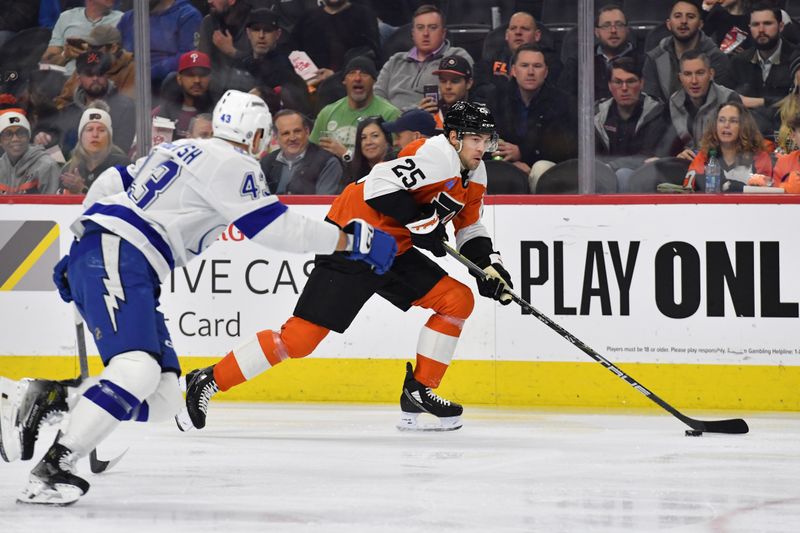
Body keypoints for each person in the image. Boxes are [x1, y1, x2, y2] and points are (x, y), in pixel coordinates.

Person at [0, 90, 396, 506]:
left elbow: (113, 180)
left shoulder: (181, 148)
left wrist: (83, 235)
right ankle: (54, 468)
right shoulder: (234, 162)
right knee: (136, 370)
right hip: (123, 254)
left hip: (120, 256)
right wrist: (352, 239)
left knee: (164, 395)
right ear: (257, 133)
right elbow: (277, 228)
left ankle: (48, 399)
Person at [180, 101, 513, 435]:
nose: (482, 147)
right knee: (299, 340)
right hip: (356, 240)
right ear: (454, 137)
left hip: (395, 249)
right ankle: (208, 379)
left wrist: (489, 266)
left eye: (486, 139)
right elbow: (377, 187)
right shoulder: (435, 155)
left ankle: (419, 391)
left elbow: (469, 228)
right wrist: (420, 221)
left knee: (456, 299)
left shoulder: (476, 173)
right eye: (474, 139)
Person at [489, 43, 578, 176]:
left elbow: (565, 149)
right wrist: (511, 165)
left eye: (537, 66)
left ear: (546, 72)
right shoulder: (497, 99)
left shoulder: (562, 102)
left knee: (540, 168)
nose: (530, 72)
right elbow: (485, 140)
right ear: (513, 71)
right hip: (506, 166)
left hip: (547, 169)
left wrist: (522, 153)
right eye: (524, 66)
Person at [375, 4, 473, 111]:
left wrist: (413, 112)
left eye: (432, 28)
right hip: (389, 121)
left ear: (443, 33)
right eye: (420, 28)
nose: (425, 33)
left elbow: (451, 94)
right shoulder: (395, 60)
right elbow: (377, 96)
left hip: (429, 120)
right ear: (413, 34)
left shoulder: (456, 57)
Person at [38, 51, 136, 156]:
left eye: (100, 73)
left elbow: (121, 150)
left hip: (108, 169)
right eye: (89, 74)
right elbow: (56, 148)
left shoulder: (125, 107)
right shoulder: (69, 111)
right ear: (79, 79)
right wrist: (43, 139)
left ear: (107, 76)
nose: (95, 78)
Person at [595, 57, 671, 188]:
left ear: (641, 83)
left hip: (647, 180)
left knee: (623, 174)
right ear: (609, 85)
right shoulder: (598, 115)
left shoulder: (657, 112)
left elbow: (648, 157)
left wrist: (611, 166)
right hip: (603, 177)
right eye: (618, 82)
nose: (624, 88)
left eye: (630, 81)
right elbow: (592, 156)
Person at [309, 56, 400, 162]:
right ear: (344, 81)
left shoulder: (389, 114)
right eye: (352, 73)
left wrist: (346, 154)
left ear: (374, 81)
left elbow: (392, 161)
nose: (357, 78)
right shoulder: (327, 113)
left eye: (364, 73)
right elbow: (311, 154)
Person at [643, 0, 734, 104]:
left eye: (690, 17)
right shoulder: (655, 57)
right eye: (678, 16)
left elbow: (721, 102)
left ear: (700, 24)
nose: (683, 21)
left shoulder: (717, 58)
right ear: (668, 24)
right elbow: (651, 103)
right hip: (665, 118)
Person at [664, 49, 742, 159]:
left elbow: (741, 143)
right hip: (686, 165)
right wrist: (678, 156)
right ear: (680, 78)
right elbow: (667, 146)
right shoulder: (673, 103)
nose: (694, 81)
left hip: (721, 164)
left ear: (711, 74)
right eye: (687, 74)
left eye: (700, 73)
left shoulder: (729, 99)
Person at [731, 4, 796, 135]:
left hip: (789, 134)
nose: (761, 30)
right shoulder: (739, 61)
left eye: (767, 23)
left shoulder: (795, 58)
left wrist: (759, 102)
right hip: (748, 136)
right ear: (749, 28)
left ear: (781, 26)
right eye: (755, 24)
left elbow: (796, 101)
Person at [558, 4, 645, 101]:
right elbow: (565, 100)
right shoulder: (579, 61)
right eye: (606, 25)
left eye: (619, 24)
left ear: (627, 29)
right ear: (596, 32)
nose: (613, 30)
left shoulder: (643, 61)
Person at [682, 101, 773, 191]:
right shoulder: (704, 157)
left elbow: (765, 194)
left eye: (733, 121)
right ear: (715, 125)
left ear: (744, 126)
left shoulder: (760, 157)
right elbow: (688, 190)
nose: (726, 125)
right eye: (721, 120)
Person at [117, 0, 203, 93]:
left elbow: (189, 57)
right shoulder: (128, 18)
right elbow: (115, 51)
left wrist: (149, 72)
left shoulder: (187, 15)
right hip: (128, 82)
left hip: (164, 85)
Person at [260, 109, 345, 194]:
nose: (292, 138)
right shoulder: (266, 162)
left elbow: (323, 203)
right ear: (275, 137)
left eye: (297, 131)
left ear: (307, 132)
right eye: (286, 133)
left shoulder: (328, 163)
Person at [54, 24, 136, 110]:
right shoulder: (87, 65)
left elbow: (128, 107)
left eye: (94, 47)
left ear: (113, 48)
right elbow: (63, 101)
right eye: (89, 46)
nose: (90, 51)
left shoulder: (133, 69)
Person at [291, 0, 381, 73]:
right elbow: (292, 49)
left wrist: (336, 74)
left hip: (350, 82)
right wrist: (308, 74)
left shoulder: (364, 15)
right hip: (312, 84)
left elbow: (371, 53)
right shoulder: (308, 17)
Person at [39, 0, 123, 77]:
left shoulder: (122, 19)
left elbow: (129, 60)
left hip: (105, 82)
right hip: (68, 82)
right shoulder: (66, 18)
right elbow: (44, 64)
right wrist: (65, 55)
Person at [59, 104, 130, 194]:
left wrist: (82, 190)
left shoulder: (123, 167)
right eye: (89, 129)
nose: (95, 134)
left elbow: (121, 203)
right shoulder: (69, 169)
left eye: (101, 130)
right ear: (81, 137)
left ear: (109, 137)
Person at [152, 51, 214, 140]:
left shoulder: (219, 112)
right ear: (179, 78)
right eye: (190, 75)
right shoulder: (161, 113)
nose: (197, 80)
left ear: (209, 78)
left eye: (202, 75)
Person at [0, 111, 60, 194]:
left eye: (21, 133)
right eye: (8, 134)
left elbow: (52, 205)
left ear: (29, 137)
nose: (15, 139)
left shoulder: (46, 165)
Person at [419, 55, 474, 129]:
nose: (448, 86)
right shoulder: (431, 110)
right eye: (443, 81)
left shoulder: (480, 113)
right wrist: (419, 120)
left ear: (469, 84)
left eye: (455, 81)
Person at [344, 115, 392, 183]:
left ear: (387, 139)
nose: (368, 142)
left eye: (375, 136)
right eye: (363, 137)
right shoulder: (351, 171)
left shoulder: (397, 165)